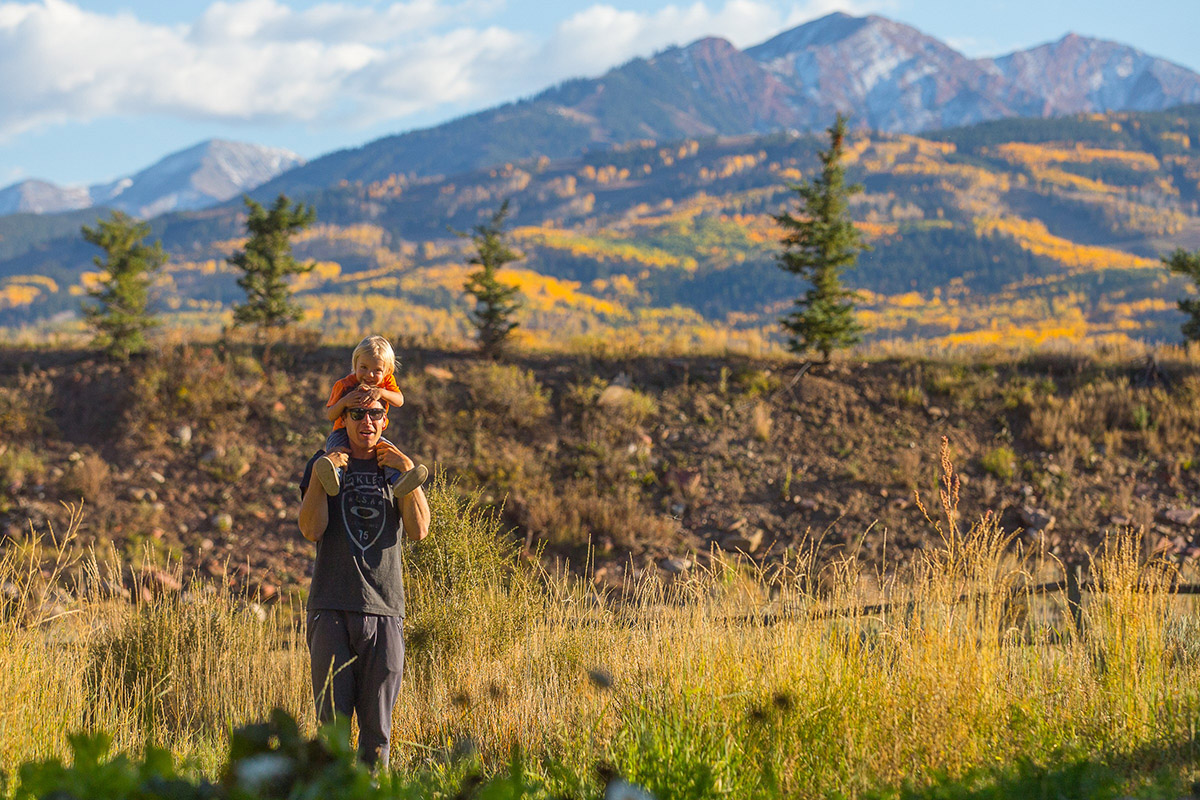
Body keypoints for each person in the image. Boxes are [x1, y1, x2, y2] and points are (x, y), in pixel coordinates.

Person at [298, 395, 431, 768]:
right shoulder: (324, 464)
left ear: (385, 419)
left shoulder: (395, 468)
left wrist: (408, 470)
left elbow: (419, 530)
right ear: (344, 419)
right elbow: (311, 529)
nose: (367, 421)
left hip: (385, 609)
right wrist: (322, 477)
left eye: (376, 413)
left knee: (377, 735)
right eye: (358, 413)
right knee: (332, 733)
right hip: (331, 608)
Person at [313, 335, 427, 500]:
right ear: (355, 365)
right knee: (337, 451)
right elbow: (331, 414)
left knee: (388, 451)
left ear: (387, 371)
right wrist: (345, 402)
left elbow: (400, 400)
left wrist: (381, 392)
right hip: (342, 432)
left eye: (377, 371)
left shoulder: (385, 384)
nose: (369, 374)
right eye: (364, 367)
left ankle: (399, 481)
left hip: (374, 434)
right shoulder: (344, 385)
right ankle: (334, 477)